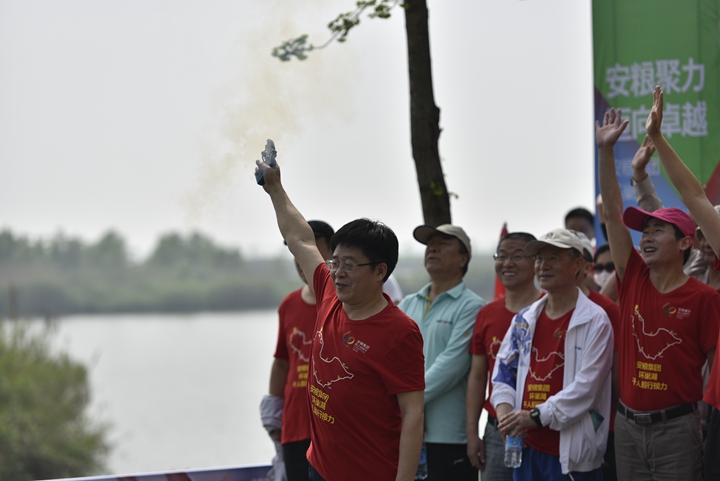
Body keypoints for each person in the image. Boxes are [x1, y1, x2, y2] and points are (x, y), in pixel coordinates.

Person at [255, 158, 425, 481]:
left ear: (380, 271)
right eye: (335, 262)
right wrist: (275, 188)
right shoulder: (329, 293)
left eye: (350, 265)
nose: (338, 272)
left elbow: (413, 414)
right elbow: (301, 239)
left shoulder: (400, 332)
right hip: (319, 468)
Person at [595, 97, 720, 481]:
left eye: (657, 231)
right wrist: (605, 151)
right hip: (627, 428)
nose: (646, 237)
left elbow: (712, 367)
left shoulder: (704, 297)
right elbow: (612, 214)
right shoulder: (632, 275)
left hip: (679, 429)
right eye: (644, 231)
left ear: (685, 244)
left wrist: (705, 423)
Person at [632, 85, 720, 480]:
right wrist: (656, 139)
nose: (706, 238)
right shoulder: (694, 266)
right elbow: (693, 200)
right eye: (705, 232)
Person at [491, 229, 613, 480]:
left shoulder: (595, 320)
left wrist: (535, 416)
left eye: (553, 259)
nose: (543, 266)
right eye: (539, 259)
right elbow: (503, 374)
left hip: (571, 454)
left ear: (578, 265)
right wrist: (506, 418)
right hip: (526, 447)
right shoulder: (524, 319)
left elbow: (587, 388)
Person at [398, 224, 485, 481]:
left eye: (443, 243)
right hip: (404, 428)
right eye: (430, 243)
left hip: (449, 434)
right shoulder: (408, 303)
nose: (433, 248)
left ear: (463, 258)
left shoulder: (472, 306)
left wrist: (402, 402)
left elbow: (451, 366)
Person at [466, 232, 542, 481]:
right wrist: (472, 433)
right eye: (501, 256)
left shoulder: (549, 308)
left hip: (542, 429)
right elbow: (478, 377)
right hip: (497, 430)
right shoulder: (487, 314)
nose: (507, 263)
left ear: (536, 262)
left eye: (517, 256)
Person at [263, 220, 335, 481]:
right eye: (295, 253)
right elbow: (282, 362)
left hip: (335, 428)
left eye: (309, 250)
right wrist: (274, 416)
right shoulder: (289, 304)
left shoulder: (346, 304)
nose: (301, 260)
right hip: (295, 428)